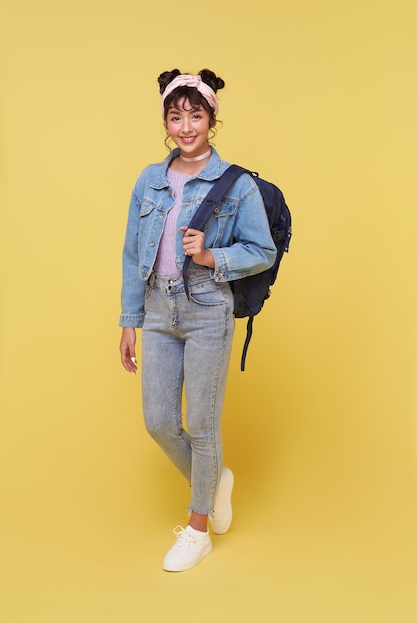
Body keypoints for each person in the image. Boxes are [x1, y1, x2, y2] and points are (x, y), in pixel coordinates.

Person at [119, 68, 277, 572]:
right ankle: (215, 481)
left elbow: (262, 249)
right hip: (158, 307)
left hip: (208, 306)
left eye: (196, 115)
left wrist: (212, 258)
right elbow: (130, 254)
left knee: (203, 425)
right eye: (176, 116)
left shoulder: (236, 185)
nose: (186, 126)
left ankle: (198, 528)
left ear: (212, 119)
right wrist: (129, 319)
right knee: (160, 422)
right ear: (166, 122)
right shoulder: (149, 179)